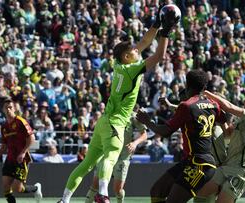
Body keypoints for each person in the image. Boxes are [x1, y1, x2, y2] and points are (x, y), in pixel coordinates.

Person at [58, 7, 179, 203]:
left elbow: (145, 41)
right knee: (111, 158)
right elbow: (158, 57)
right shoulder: (132, 69)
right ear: (127, 56)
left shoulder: (120, 65)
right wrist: (165, 32)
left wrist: (157, 23)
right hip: (116, 123)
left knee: (87, 164)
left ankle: (64, 200)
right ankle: (103, 194)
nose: (136, 49)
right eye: (132, 50)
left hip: (103, 122)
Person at [136, 70, 227, 203]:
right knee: (157, 190)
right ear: (204, 87)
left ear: (187, 85)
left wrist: (147, 122)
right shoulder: (213, 105)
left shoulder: (186, 106)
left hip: (200, 164)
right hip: (190, 162)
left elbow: (166, 131)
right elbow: (223, 118)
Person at [197, 87, 245, 203]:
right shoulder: (243, 117)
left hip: (243, 170)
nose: (244, 102)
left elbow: (229, 107)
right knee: (200, 194)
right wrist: (219, 118)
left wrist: (208, 94)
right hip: (228, 166)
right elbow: (228, 133)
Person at [85, 110, 147, 203]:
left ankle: (120, 200)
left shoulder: (133, 116)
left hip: (123, 156)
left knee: (117, 190)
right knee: (95, 185)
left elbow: (144, 134)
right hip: (107, 154)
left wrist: (135, 143)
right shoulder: (109, 113)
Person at [0, 97, 42, 203]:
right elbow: (4, 144)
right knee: (6, 186)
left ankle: (36, 188)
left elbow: (31, 138)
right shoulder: (4, 127)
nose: (8, 109)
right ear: (3, 110)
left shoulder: (21, 121)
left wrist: (23, 152)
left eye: (10, 107)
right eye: (6, 108)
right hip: (10, 159)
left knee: (17, 188)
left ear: (14, 109)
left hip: (22, 159)